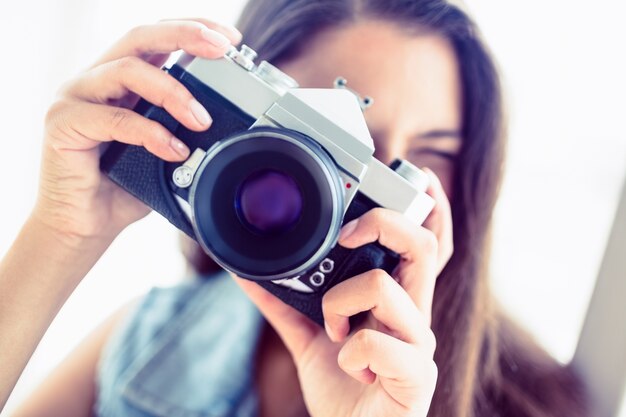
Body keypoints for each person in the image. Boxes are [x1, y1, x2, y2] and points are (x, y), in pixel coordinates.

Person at [0, 0, 590, 416]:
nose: (365, 193)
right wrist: (61, 233)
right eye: (329, 147)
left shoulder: (543, 404)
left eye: (424, 161)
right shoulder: (155, 337)